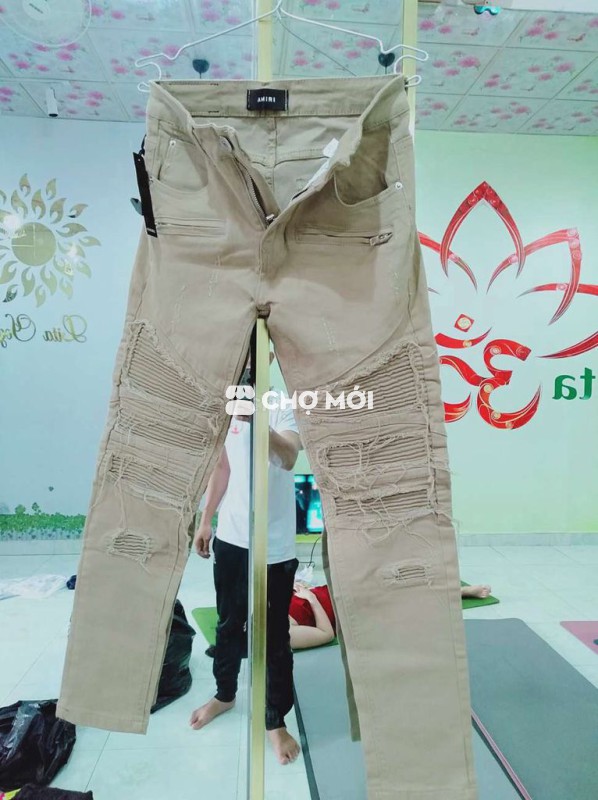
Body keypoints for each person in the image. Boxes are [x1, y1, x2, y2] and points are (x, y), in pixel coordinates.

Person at [189, 371, 302, 766]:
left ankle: (275, 720)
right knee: (227, 623)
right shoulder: (223, 403)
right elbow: (221, 468)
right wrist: (207, 519)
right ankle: (225, 695)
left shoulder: (283, 404)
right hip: (232, 538)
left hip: (275, 546)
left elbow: (288, 457)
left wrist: (257, 421)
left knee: (274, 635)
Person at [288, 581, 493, 651]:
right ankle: (459, 592)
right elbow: (326, 634)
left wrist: (300, 588)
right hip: (348, 607)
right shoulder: (286, 635)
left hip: (335, 590)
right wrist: (311, 600)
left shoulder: (269, 608)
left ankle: (449, 587)